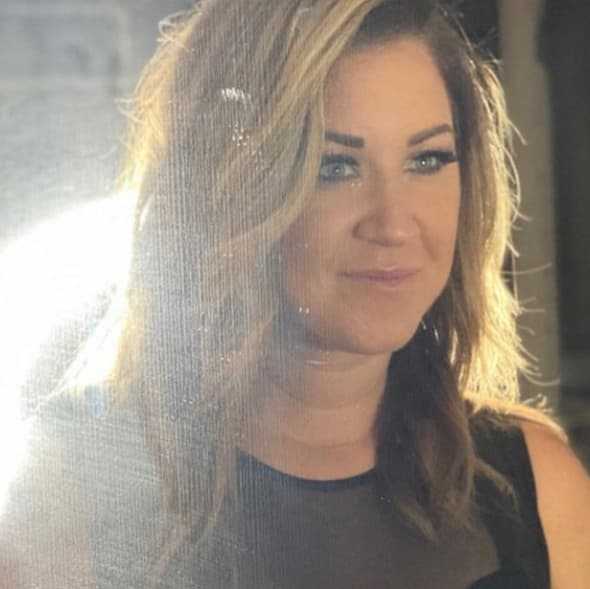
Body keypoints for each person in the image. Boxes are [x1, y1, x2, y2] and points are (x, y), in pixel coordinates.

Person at [1, 0, 589, 587]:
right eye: (334, 167)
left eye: (426, 159)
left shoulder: (539, 491)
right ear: (230, 187)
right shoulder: (71, 491)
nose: (393, 224)